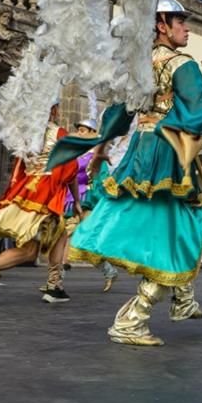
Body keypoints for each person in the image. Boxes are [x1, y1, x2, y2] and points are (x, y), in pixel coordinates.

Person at [44, 0, 202, 346]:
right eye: (180, 22)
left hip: (144, 147)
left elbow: (119, 115)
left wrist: (99, 151)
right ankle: (133, 318)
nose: (187, 29)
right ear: (161, 26)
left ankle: (182, 298)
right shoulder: (180, 63)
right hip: (166, 152)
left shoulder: (139, 66)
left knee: (185, 223)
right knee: (176, 232)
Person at [0, 103, 79, 305]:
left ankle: (54, 286)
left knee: (40, 244)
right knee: (37, 245)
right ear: (54, 110)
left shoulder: (26, 138)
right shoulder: (58, 133)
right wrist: (75, 199)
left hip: (27, 194)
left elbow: (18, 172)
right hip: (46, 194)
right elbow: (71, 167)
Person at [69, 118, 118, 293]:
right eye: (79, 130)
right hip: (70, 200)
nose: (80, 133)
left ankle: (109, 270)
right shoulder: (75, 153)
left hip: (88, 201)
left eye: (83, 130)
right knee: (57, 237)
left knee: (86, 241)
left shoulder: (96, 157)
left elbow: (102, 180)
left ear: (92, 133)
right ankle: (55, 279)